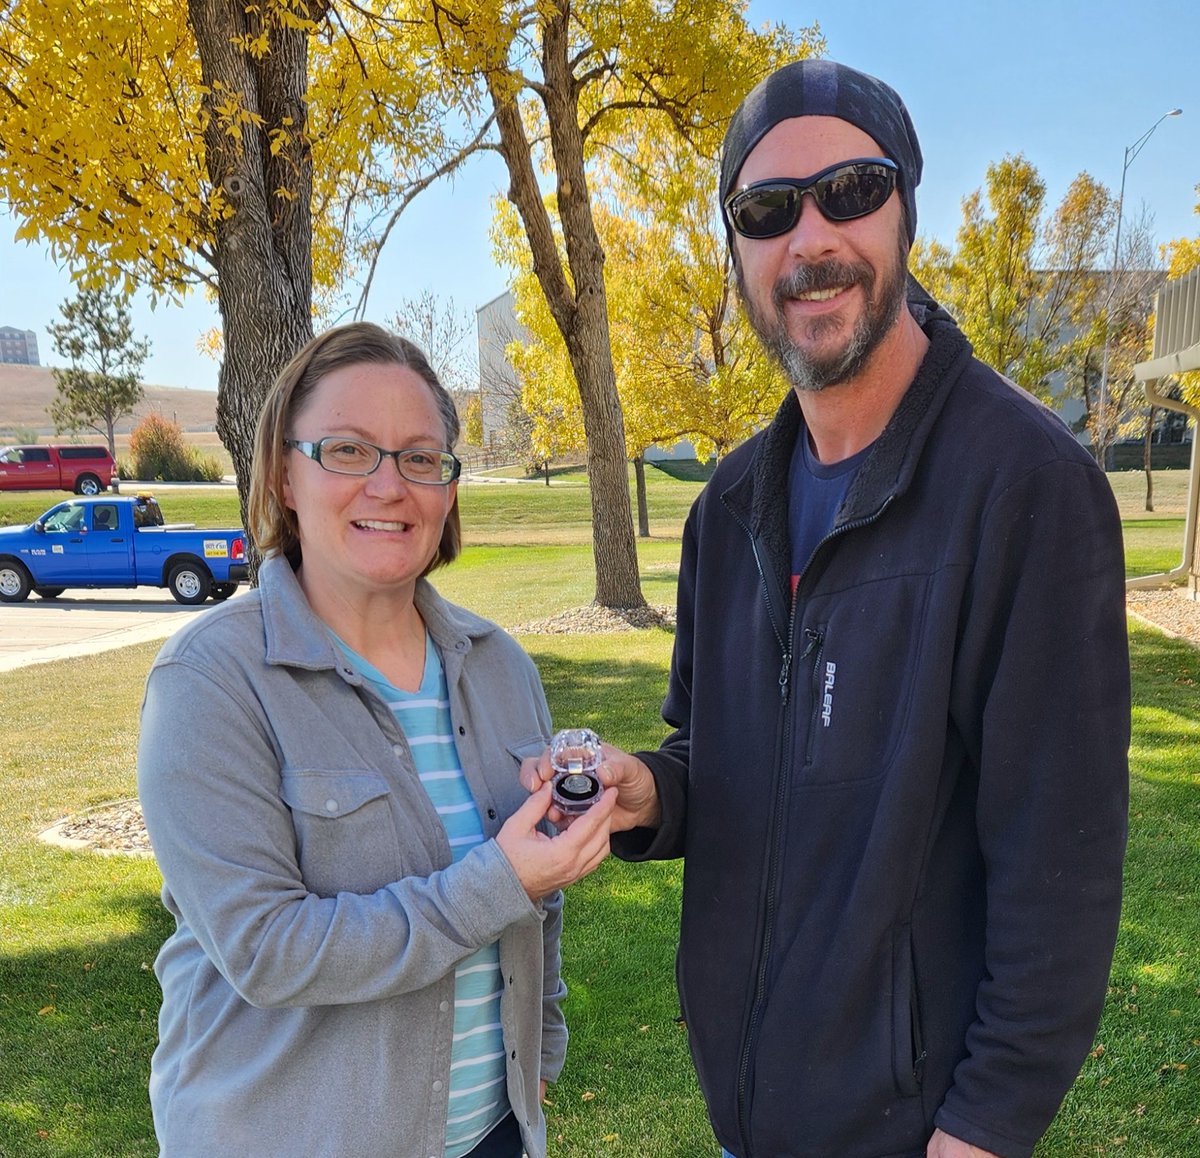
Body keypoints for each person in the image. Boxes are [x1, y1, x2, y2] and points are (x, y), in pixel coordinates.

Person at [523, 60, 1130, 1158]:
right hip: (745, 1116)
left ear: (905, 211)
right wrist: (648, 792)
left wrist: (982, 1132)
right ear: (739, 250)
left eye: (850, 190)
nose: (811, 239)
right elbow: (720, 762)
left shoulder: (1026, 488)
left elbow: (1063, 868)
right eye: (767, 210)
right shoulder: (729, 507)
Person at [138, 322, 616, 1158]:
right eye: (350, 451)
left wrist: (539, 1055)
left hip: (495, 1134)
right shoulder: (210, 681)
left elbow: (539, 895)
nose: (390, 486)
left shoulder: (501, 668)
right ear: (285, 473)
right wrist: (496, 881)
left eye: (421, 457)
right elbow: (267, 951)